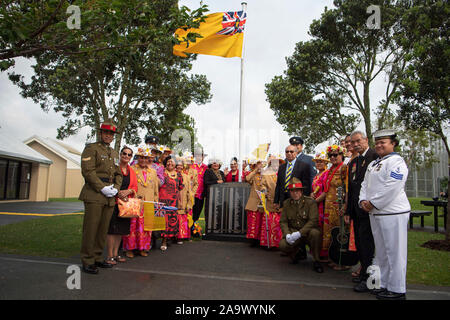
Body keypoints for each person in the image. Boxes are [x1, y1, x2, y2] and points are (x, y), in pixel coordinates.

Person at [359, 129, 410, 300]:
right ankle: (382, 284)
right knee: (381, 252)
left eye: (384, 142)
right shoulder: (373, 164)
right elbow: (364, 185)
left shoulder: (397, 162)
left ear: (393, 144)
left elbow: (392, 186)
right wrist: (362, 201)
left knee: (395, 252)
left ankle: (397, 289)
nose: (379, 145)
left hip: (393, 213)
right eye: (378, 142)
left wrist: (373, 203)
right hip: (375, 214)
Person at [79, 120, 122, 274]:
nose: (108, 136)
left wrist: (115, 189)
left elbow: (118, 174)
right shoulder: (91, 149)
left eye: (111, 134)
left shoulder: (114, 153)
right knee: (91, 229)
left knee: (103, 229)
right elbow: (88, 171)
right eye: (106, 132)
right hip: (94, 193)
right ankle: (87, 260)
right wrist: (102, 187)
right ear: (101, 133)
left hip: (109, 195)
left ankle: (97, 257)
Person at [344, 131, 378, 292]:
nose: (355, 144)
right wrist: (348, 211)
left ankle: (369, 278)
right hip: (356, 211)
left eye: (358, 141)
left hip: (370, 209)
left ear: (366, 140)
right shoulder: (354, 162)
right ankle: (364, 271)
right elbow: (351, 189)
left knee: (368, 245)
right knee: (360, 243)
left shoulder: (375, 156)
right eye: (352, 142)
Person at [279, 178, 323, 273]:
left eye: (297, 191)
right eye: (292, 191)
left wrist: (300, 233)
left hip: (307, 232)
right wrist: (287, 234)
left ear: (302, 191)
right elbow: (283, 221)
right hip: (293, 231)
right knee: (283, 245)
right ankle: (296, 254)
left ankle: (317, 261)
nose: (295, 193)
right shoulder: (286, 203)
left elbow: (313, 221)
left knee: (315, 233)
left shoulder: (310, 202)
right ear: (290, 192)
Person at [122, 146, 159, 258]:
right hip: (135, 201)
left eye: (146, 158)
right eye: (141, 157)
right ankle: (130, 249)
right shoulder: (132, 169)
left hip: (149, 202)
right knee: (132, 227)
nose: (143, 160)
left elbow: (155, 189)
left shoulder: (153, 171)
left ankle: (143, 248)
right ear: (138, 158)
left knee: (146, 228)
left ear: (149, 159)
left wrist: (155, 202)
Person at [317, 144, 348, 270]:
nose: (333, 157)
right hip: (328, 207)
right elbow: (325, 190)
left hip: (339, 206)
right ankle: (333, 257)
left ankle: (343, 262)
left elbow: (347, 188)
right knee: (329, 233)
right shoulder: (329, 171)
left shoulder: (344, 168)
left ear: (342, 155)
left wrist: (345, 205)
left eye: (336, 155)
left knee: (340, 232)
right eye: (331, 155)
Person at [105, 146, 138, 265]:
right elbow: (109, 183)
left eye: (129, 155)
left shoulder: (132, 172)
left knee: (120, 231)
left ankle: (116, 253)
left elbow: (135, 187)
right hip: (114, 202)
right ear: (120, 154)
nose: (126, 156)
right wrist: (118, 193)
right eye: (124, 153)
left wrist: (128, 192)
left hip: (125, 204)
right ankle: (109, 255)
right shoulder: (113, 168)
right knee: (112, 230)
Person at [274, 145, 312, 209]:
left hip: (297, 198)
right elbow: (278, 185)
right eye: (287, 152)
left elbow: (306, 185)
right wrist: (276, 201)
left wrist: (304, 200)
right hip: (283, 199)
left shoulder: (304, 166)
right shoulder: (281, 167)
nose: (289, 153)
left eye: (291, 152)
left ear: (296, 153)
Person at [159, 156, 184, 251]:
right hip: (162, 201)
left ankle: (169, 238)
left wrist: (181, 202)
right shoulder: (162, 173)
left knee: (171, 221)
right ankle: (163, 241)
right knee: (162, 221)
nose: (170, 163)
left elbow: (180, 189)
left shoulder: (179, 175)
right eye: (168, 161)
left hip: (174, 202)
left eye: (172, 162)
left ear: (175, 164)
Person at [259, 155, 284, 248]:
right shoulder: (266, 174)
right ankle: (269, 243)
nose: (276, 164)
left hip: (282, 202)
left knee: (280, 223)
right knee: (270, 222)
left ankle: (281, 244)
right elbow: (262, 185)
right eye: (274, 162)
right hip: (270, 201)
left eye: (278, 162)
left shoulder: (284, 173)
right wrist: (263, 191)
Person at [310, 151, 330, 260]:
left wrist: (316, 201)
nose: (318, 164)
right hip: (315, 204)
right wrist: (311, 195)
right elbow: (314, 189)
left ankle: (323, 253)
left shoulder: (326, 174)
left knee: (322, 227)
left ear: (326, 163)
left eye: (321, 162)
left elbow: (326, 191)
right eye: (317, 162)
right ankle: (316, 251)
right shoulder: (316, 175)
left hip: (322, 204)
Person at [245, 159, 265, 246]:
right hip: (253, 201)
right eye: (258, 165)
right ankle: (253, 240)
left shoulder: (266, 174)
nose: (259, 166)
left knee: (261, 222)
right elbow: (247, 178)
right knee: (253, 221)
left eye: (261, 165)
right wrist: (255, 170)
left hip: (263, 202)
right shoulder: (253, 175)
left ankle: (261, 240)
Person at [203, 158, 225, 231]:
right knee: (210, 212)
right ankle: (209, 229)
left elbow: (224, 181)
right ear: (211, 164)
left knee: (219, 212)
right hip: (210, 196)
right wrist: (216, 181)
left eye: (217, 163)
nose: (216, 164)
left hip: (220, 196)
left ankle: (218, 228)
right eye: (214, 163)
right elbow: (206, 182)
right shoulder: (208, 171)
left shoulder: (221, 172)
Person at [191, 147, 208, 230]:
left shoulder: (206, 168)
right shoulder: (191, 166)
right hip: (192, 193)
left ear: (203, 157)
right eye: (197, 156)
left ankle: (194, 228)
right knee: (191, 211)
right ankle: (189, 229)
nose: (198, 157)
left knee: (198, 212)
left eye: (200, 156)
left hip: (201, 194)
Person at [176, 156, 191, 244]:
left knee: (182, 219)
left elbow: (189, 191)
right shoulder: (171, 174)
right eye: (177, 165)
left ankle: (180, 237)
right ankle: (172, 236)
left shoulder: (187, 177)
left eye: (181, 165)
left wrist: (189, 204)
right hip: (173, 201)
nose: (179, 167)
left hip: (184, 200)